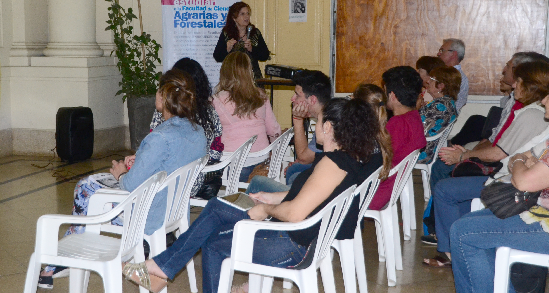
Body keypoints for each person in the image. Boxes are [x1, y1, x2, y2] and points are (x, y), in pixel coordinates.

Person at [121, 98, 388, 293]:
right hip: (302, 240)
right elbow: (312, 197)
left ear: (328, 127)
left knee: (214, 211)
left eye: (317, 121)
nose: (314, 125)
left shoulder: (333, 164)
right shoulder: (345, 159)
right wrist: (272, 198)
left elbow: (296, 214)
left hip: (293, 246)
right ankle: (160, 269)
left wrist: (266, 210)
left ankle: (160, 269)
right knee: (213, 234)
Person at [37, 69, 208, 289]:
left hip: (148, 214)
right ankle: (63, 257)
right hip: (173, 210)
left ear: (164, 97)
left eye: (158, 90)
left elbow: (130, 184)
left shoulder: (160, 137)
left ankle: (60, 260)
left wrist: (121, 173)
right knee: (90, 189)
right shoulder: (198, 133)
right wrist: (140, 161)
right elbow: (170, 163)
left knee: (86, 189)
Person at [423, 61, 549, 266]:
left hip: (509, 181)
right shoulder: (527, 111)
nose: (514, 85)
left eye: (518, 81)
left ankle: (451, 252)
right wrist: (467, 153)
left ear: (530, 85)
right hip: (508, 175)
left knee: (446, 188)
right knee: (451, 177)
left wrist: (464, 156)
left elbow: (501, 154)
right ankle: (449, 246)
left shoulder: (531, 114)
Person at [450, 94, 549, 293]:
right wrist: (521, 162)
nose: (544, 100)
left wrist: (519, 163)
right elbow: (524, 156)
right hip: (538, 211)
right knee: (470, 223)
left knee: (464, 232)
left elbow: (522, 181)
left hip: (544, 222)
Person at [149, 58, 223, 196]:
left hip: (170, 182)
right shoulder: (209, 111)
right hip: (199, 178)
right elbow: (216, 151)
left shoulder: (164, 112)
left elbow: (155, 147)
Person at [212, 51, 280, 182]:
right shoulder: (261, 96)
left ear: (224, 72)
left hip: (230, 166)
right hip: (261, 162)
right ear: (250, 71)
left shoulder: (216, 100)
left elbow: (211, 135)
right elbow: (273, 130)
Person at [366, 67, 426, 211]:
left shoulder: (397, 124)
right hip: (389, 189)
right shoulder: (414, 117)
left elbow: (374, 160)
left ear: (392, 95)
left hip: (375, 193)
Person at [285, 70, 332, 185]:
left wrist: (297, 119)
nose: (293, 99)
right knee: (294, 170)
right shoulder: (328, 113)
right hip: (327, 170)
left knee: (257, 183)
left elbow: (303, 158)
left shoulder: (327, 122)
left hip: (330, 178)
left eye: (297, 94)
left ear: (312, 100)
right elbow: (307, 157)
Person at [213, 1, 270, 80]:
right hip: (232, 78)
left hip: (252, 78)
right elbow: (217, 57)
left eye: (248, 13)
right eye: (242, 14)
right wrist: (227, 49)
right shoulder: (227, 33)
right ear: (234, 18)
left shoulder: (255, 32)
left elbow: (265, 56)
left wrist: (252, 49)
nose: (246, 17)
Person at [417, 66, 460, 164]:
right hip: (425, 148)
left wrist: (414, 109)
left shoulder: (440, 106)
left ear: (441, 86)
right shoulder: (445, 102)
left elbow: (415, 127)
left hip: (422, 151)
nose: (428, 82)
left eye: (431, 79)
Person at [437, 38, 468, 112]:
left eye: (442, 50)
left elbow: (451, 109)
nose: (438, 54)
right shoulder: (440, 72)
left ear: (453, 54)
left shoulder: (458, 77)